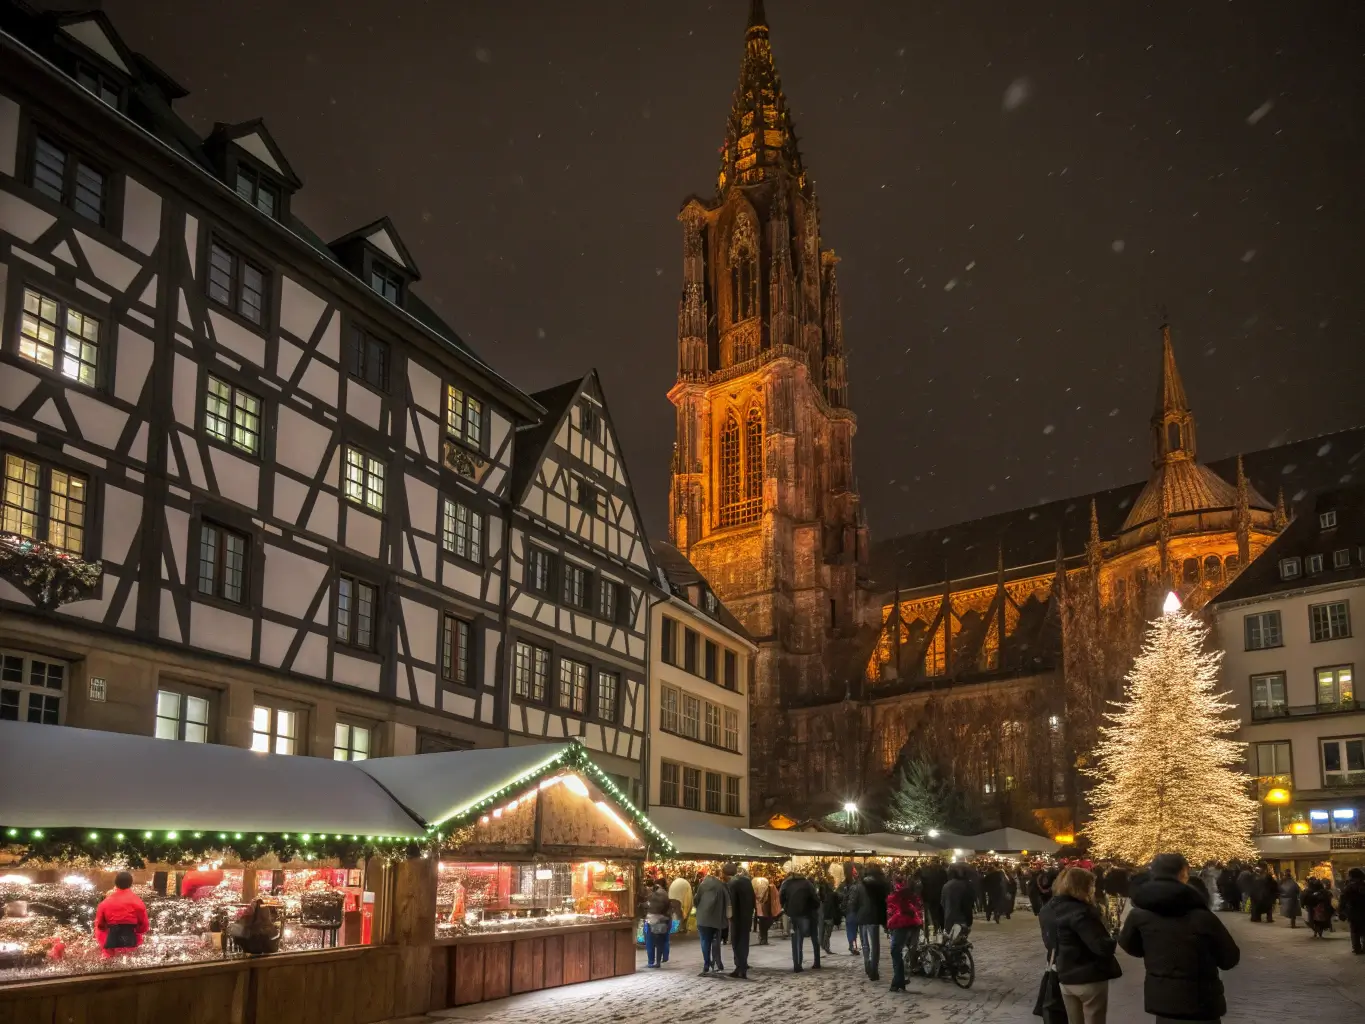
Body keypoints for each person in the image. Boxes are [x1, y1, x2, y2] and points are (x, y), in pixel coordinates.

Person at [1118, 853, 1240, 1024]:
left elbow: (1129, 945)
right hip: (1202, 1003)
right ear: (1183, 873)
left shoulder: (1139, 915)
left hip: (1163, 1001)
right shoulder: (1202, 917)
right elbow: (1230, 958)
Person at [1039, 867, 1121, 1024]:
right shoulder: (1082, 911)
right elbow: (1102, 947)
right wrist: (1114, 936)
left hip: (1064, 975)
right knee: (1094, 1019)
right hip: (1089, 977)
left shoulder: (1047, 909)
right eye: (1091, 885)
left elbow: (1050, 943)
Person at [94, 871, 149, 957]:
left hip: (111, 943)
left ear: (115, 883)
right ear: (131, 884)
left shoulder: (105, 903)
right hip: (131, 941)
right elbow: (144, 927)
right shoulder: (138, 902)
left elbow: (100, 925)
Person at [886, 873, 924, 993]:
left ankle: (898, 981)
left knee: (895, 951)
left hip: (901, 924)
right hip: (910, 923)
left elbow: (901, 908)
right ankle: (899, 981)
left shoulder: (899, 893)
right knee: (898, 951)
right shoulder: (908, 893)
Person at [851, 864, 890, 980]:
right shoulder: (882, 885)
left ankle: (867, 962)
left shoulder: (860, 885)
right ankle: (874, 969)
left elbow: (854, 902)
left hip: (862, 917)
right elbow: (885, 903)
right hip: (874, 917)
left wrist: (854, 913)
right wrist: (885, 920)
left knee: (865, 944)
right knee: (875, 945)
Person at [779, 869, 820, 972]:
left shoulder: (786, 883)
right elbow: (815, 898)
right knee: (814, 938)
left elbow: (781, 896)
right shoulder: (807, 883)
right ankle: (817, 961)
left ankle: (797, 964)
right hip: (808, 913)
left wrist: (785, 906)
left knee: (797, 940)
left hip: (793, 914)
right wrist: (813, 907)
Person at [694, 870, 730, 975]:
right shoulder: (721, 886)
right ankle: (718, 963)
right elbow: (728, 901)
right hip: (717, 918)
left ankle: (706, 964)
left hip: (703, 919)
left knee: (705, 941)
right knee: (716, 941)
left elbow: (696, 900)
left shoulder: (703, 885)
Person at [723, 863, 755, 978]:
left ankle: (739, 967)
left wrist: (730, 916)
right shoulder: (747, 881)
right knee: (744, 941)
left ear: (726, 874)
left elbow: (732, 903)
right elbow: (753, 899)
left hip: (737, 917)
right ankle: (742, 966)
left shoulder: (732, 884)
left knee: (736, 942)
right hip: (747, 916)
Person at [644, 880, 673, 968]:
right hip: (662, 921)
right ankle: (658, 961)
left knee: (650, 941)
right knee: (660, 942)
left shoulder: (656, 894)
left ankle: (651, 961)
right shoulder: (665, 894)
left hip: (652, 920)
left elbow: (651, 906)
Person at [942, 864, 976, 938]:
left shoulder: (946, 885)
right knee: (961, 941)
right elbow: (968, 904)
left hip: (949, 919)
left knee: (951, 941)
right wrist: (969, 921)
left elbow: (943, 903)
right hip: (962, 919)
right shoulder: (966, 885)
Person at [1338, 867, 1365, 954]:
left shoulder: (1349, 887)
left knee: (1354, 931)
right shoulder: (1363, 885)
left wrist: (1340, 911)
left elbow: (1343, 899)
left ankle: (1356, 948)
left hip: (1353, 912)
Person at [837, 863, 861, 953]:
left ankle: (852, 946)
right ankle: (853, 946)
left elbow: (838, 895)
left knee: (851, 929)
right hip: (855, 910)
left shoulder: (844, 884)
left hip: (849, 910)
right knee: (854, 929)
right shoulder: (857, 883)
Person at [921, 858, 948, 937]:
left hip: (934, 896)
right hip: (935, 896)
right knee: (937, 913)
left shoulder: (928, 872)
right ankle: (938, 928)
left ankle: (937, 928)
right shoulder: (941, 872)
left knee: (935, 913)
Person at [816, 871, 840, 955]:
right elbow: (836, 904)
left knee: (822, 931)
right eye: (833, 882)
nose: (834, 884)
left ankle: (823, 945)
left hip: (823, 914)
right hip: (829, 915)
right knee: (827, 933)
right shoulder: (832, 894)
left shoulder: (822, 893)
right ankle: (826, 947)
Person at [753, 872, 780, 945]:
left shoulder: (768, 887)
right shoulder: (770, 887)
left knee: (763, 923)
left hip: (764, 909)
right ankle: (763, 938)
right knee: (764, 923)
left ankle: (763, 938)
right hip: (766, 909)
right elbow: (776, 896)